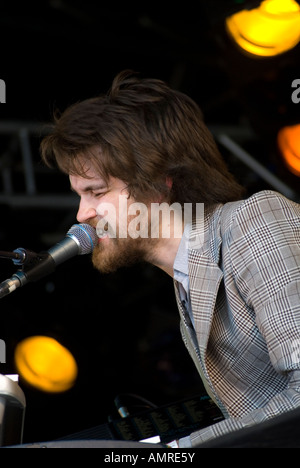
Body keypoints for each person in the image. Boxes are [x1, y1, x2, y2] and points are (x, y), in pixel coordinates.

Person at [40, 70, 300, 447]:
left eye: (96, 191)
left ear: (159, 181)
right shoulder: (185, 286)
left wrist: (177, 451)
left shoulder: (252, 222)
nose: (82, 214)